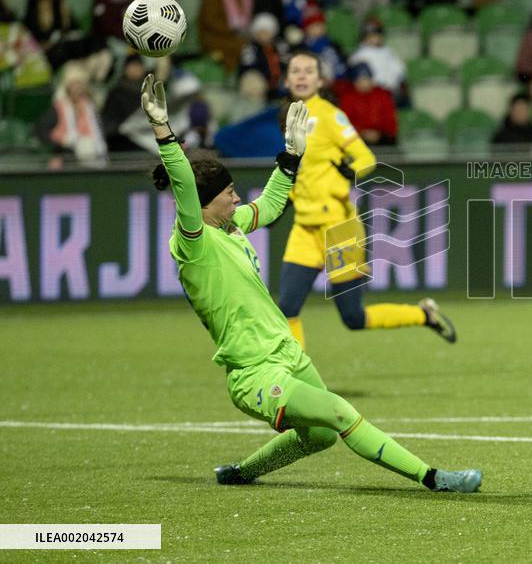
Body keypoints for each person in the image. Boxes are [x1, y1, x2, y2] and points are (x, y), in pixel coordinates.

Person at [141, 74, 481, 492]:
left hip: (287, 353)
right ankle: (433, 478)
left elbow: (269, 205)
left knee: (320, 436)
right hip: (254, 372)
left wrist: (291, 155)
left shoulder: (230, 225)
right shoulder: (193, 241)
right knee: (339, 411)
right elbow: (183, 183)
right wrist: (163, 129)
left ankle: (241, 473)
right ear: (203, 202)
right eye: (229, 192)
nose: (237, 198)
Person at [277, 51, 457, 349]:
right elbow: (302, 170)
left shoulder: (330, 115)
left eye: (309, 71)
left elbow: (366, 157)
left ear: (320, 81)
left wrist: (351, 170)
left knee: (353, 317)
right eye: (296, 71)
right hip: (304, 228)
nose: (301, 76)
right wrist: (283, 200)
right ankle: (294, 372)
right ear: (286, 80)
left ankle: (423, 315)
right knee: (286, 308)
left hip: (338, 227)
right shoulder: (289, 117)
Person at [34, 64, 107, 170]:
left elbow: (99, 132)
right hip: (65, 153)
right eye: (74, 84)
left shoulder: (91, 107)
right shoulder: (58, 107)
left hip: (91, 153)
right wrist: (60, 141)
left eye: (81, 84)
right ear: (67, 86)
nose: (78, 88)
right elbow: (42, 130)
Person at [332, 62, 398, 146]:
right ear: (354, 82)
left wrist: (379, 133)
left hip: (382, 137)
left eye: (366, 79)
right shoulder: (347, 97)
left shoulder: (383, 95)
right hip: (356, 137)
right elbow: (344, 123)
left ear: (372, 79)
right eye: (359, 80)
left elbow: (391, 122)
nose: (363, 83)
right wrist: (361, 132)